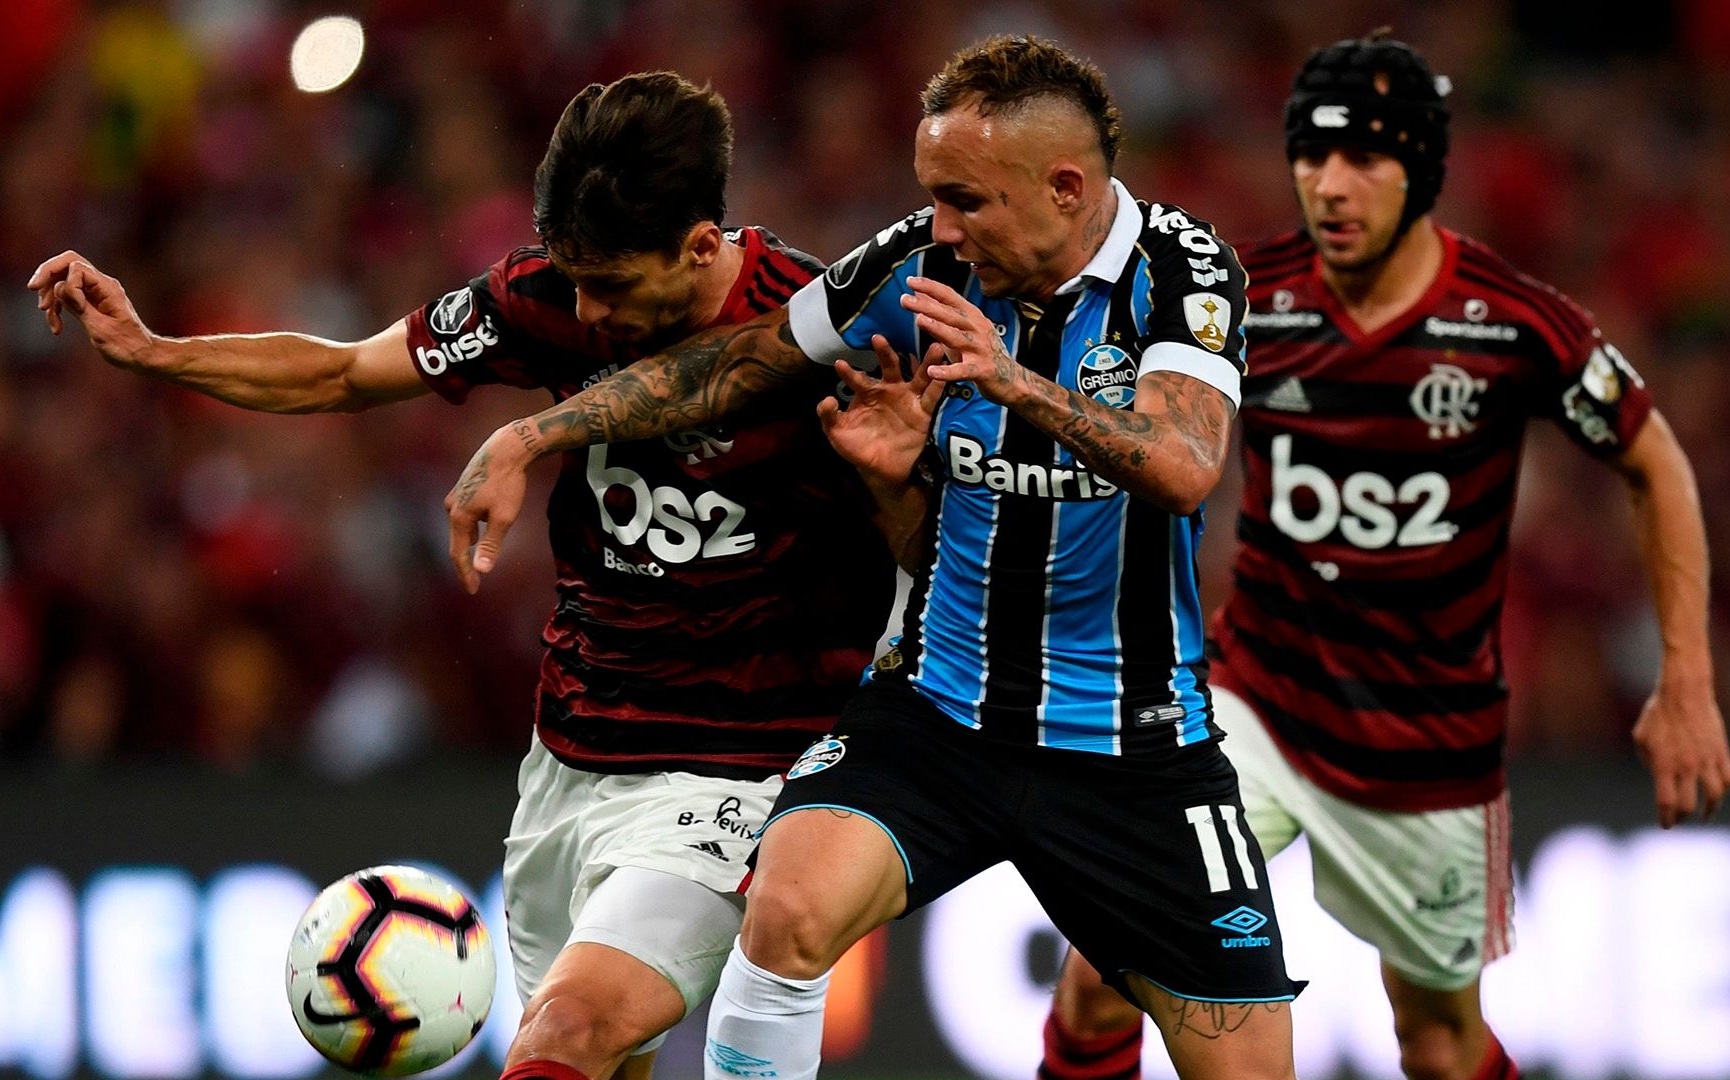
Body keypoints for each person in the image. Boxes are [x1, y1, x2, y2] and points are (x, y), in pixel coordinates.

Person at [447, 35, 1305, 1080]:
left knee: (1251, 1063)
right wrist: (533, 437)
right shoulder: (925, 261)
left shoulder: (1182, 271)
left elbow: (1183, 465)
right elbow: (738, 361)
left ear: (1066, 186)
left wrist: (1015, 384)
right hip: (936, 718)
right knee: (787, 907)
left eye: (965, 199)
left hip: (1129, 744)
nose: (939, 227)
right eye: (930, 196)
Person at [26, 72, 898, 1080]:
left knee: (565, 1038)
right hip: (572, 754)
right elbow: (348, 371)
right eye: (574, 280)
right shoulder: (549, 299)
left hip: (738, 767)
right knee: (599, 1055)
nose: (587, 310)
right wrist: (158, 353)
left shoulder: (817, 333)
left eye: (611, 286)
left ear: (702, 246)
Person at [1033, 32, 1730, 1080]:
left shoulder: (1510, 325)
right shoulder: (1247, 302)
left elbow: (1655, 461)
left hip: (1427, 752)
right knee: (1102, 975)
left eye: (1365, 157)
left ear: (1424, 170)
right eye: (1313, 158)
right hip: (1254, 705)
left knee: (1438, 1043)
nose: (1332, 185)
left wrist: (1686, 679)